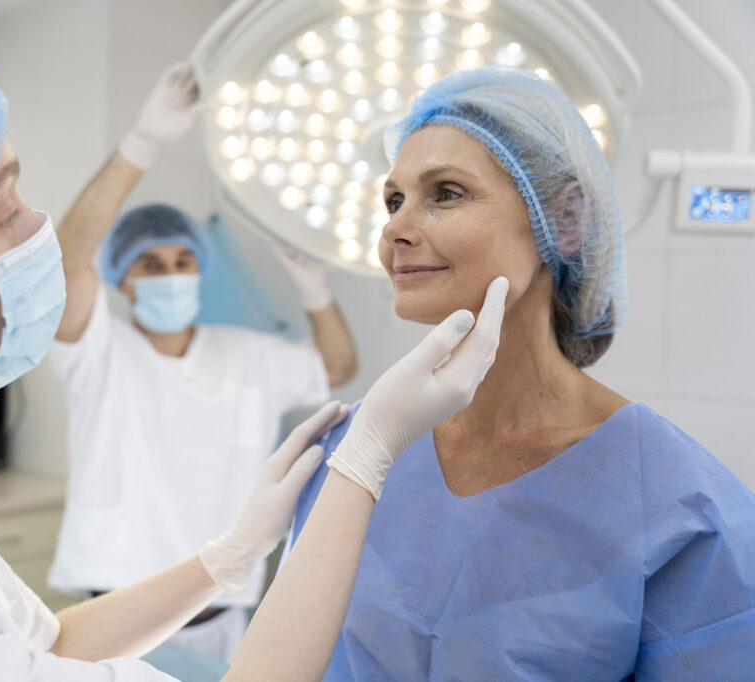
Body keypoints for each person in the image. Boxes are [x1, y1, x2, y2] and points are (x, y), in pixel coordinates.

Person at [0, 29, 508, 681]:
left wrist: (231, 556)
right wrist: (365, 459)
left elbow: (52, 646)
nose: (37, 229)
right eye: (3, 213)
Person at [287, 65, 755, 679]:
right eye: (393, 200)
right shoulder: (354, 452)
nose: (396, 229)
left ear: (562, 222)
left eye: (446, 193)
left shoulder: (683, 510)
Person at [45, 61, 358, 661]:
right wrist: (142, 144)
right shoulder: (98, 350)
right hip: (115, 608)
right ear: (122, 280)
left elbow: (338, 366)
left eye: (181, 261)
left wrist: (314, 290)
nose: (170, 275)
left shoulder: (245, 353)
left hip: (224, 610)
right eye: (150, 265)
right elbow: (66, 263)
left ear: (201, 269)